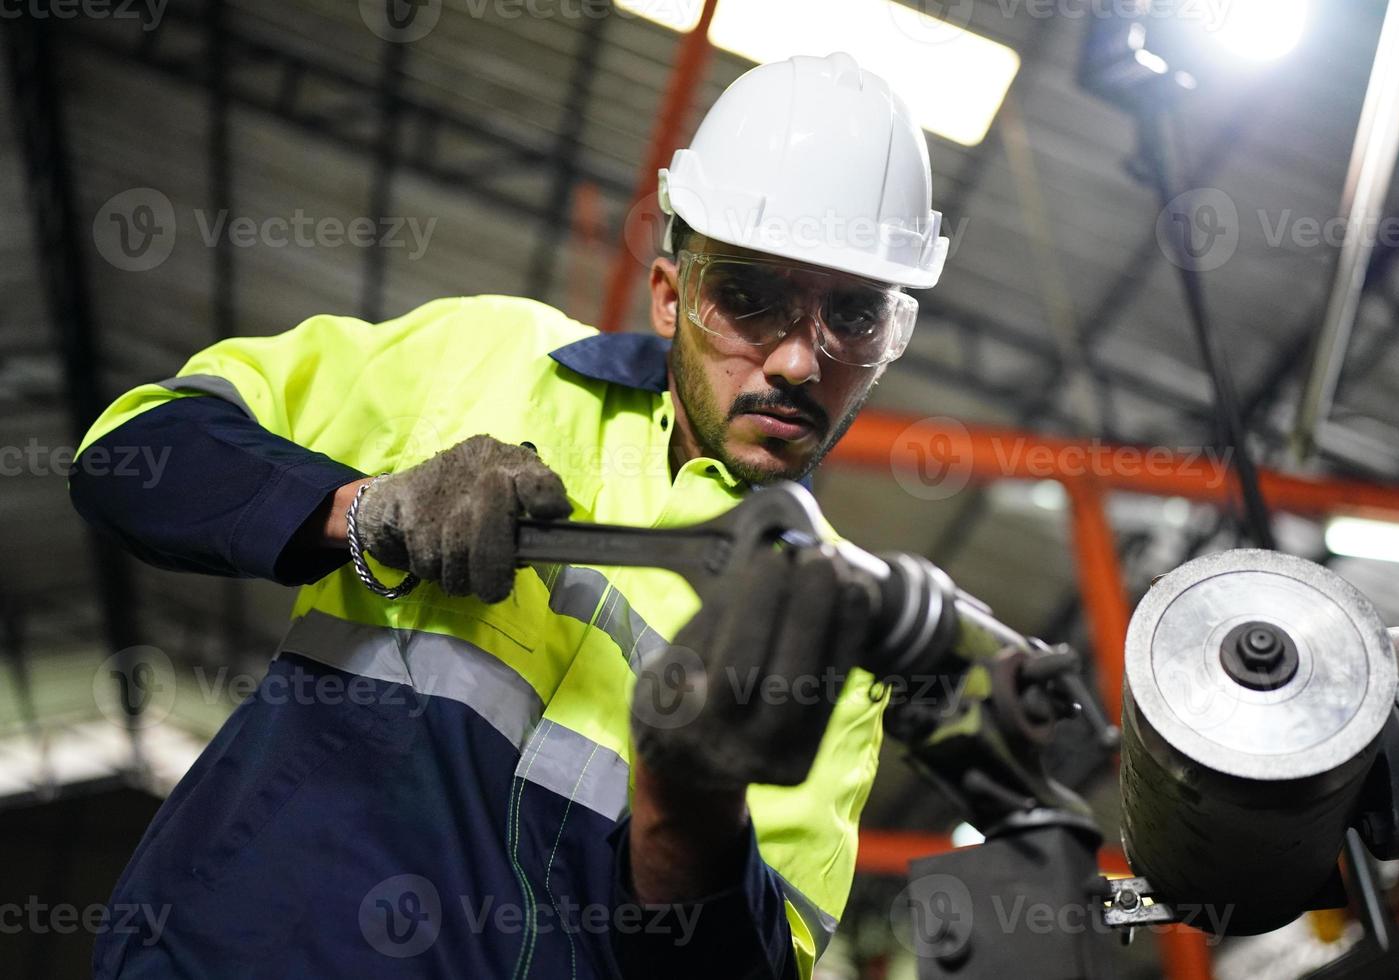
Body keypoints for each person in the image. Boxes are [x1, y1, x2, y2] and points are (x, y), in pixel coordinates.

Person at [71, 51, 949, 979]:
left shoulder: (842, 648)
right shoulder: (492, 357)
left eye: (852, 315)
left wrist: (691, 812)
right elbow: (138, 453)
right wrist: (366, 511)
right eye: (749, 297)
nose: (799, 364)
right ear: (669, 295)